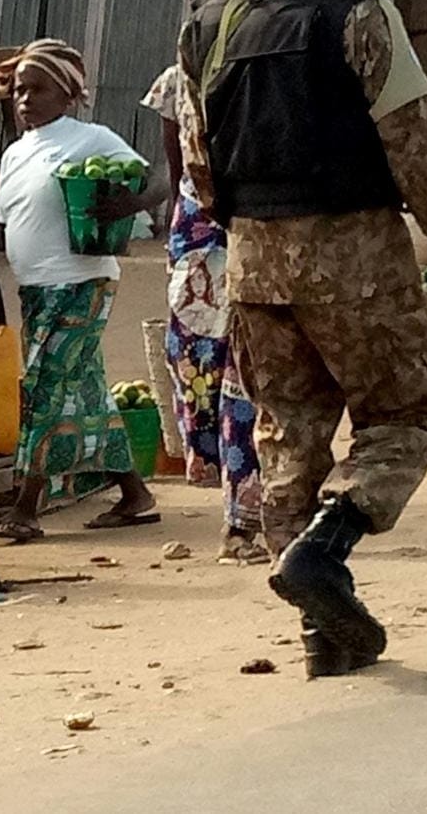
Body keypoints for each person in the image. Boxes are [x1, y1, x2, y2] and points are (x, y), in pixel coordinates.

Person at [176, 0, 427, 677]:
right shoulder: (361, 12)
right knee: (411, 415)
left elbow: (199, 161)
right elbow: (411, 145)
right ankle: (326, 549)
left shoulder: (207, 18)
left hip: (253, 264)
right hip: (354, 257)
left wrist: (250, 234)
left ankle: (322, 636)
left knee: (290, 437)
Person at [0, 39, 164, 542]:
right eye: (19, 90)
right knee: (82, 390)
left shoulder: (90, 139)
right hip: (37, 290)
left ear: (66, 95)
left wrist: (124, 207)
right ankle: (135, 495)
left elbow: (157, 180)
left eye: (37, 89)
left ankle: (24, 505)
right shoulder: (16, 154)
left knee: (43, 387)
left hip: (83, 281)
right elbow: (4, 230)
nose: (24, 99)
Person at [142, 61, 268, 565]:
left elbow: (180, 177)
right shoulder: (179, 78)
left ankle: (245, 522)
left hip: (237, 234)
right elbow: (178, 173)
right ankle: (246, 520)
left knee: (242, 381)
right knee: (220, 379)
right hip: (211, 240)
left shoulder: (254, 69)